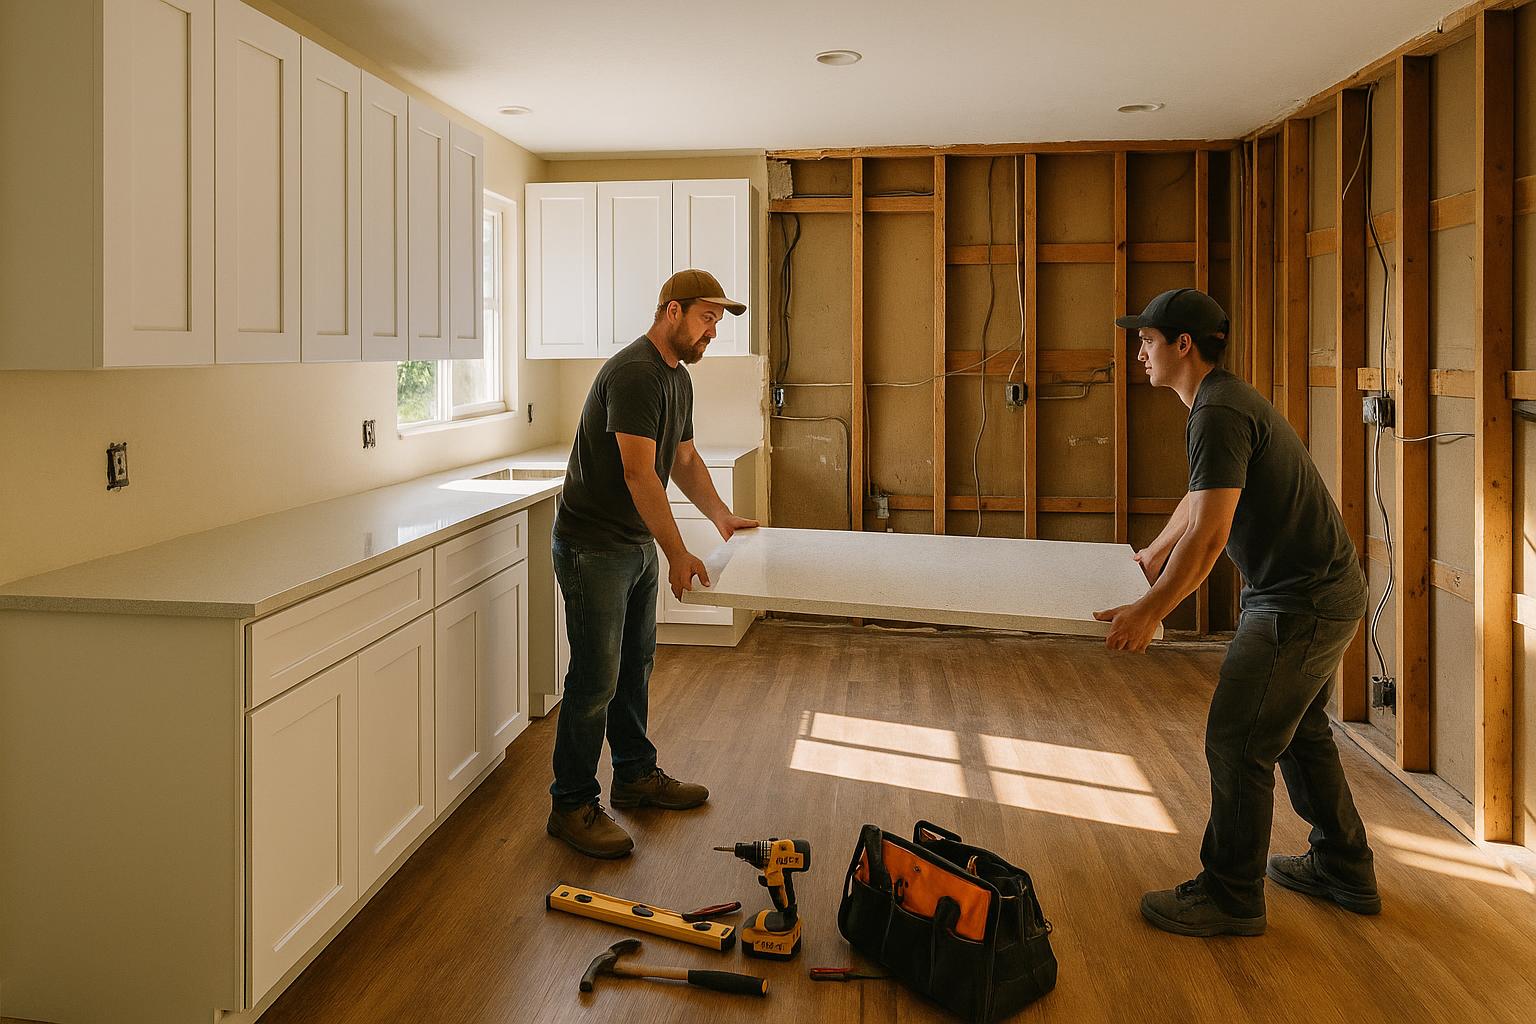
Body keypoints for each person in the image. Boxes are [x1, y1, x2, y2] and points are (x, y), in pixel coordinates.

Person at [1093, 287, 1380, 936]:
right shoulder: (1218, 402)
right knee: (1299, 733)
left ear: (1183, 345)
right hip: (1317, 592)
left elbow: (1211, 535)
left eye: (1148, 340)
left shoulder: (1217, 412)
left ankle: (1230, 895)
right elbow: (1203, 500)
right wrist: (1153, 552)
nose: (1140, 352)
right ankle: (1344, 866)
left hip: (1300, 603)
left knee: (1237, 740)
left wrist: (1150, 610)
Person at [546, 269, 759, 859]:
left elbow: (682, 459)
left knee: (635, 665)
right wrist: (677, 551)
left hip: (631, 542)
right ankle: (570, 804)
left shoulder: (675, 377)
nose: (713, 331)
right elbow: (639, 473)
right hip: (593, 547)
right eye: (707, 318)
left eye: (717, 320)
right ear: (672, 311)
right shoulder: (636, 373)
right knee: (595, 679)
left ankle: (635, 776)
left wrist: (721, 516)